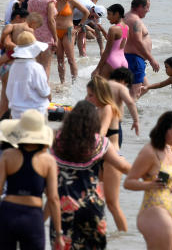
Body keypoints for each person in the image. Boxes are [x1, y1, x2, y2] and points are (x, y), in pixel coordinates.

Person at [51, 100, 132, 249]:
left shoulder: (57, 140)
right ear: (94, 121)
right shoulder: (99, 142)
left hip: (64, 205)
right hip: (92, 206)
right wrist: (149, 174)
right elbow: (123, 166)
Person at [0, 110, 63, 250]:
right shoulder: (48, 161)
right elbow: (53, 198)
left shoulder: (8, 155)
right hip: (32, 217)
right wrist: (59, 234)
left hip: (7, 213)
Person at [124, 110, 172, 249]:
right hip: (153, 213)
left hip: (169, 210)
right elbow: (128, 183)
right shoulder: (149, 151)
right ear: (163, 130)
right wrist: (149, 185)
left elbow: (170, 178)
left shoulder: (169, 147)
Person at [5, 32, 51, 118]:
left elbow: (9, 93)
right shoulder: (36, 67)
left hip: (17, 114)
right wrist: (49, 97)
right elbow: (44, 92)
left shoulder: (13, 67)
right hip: (35, 113)